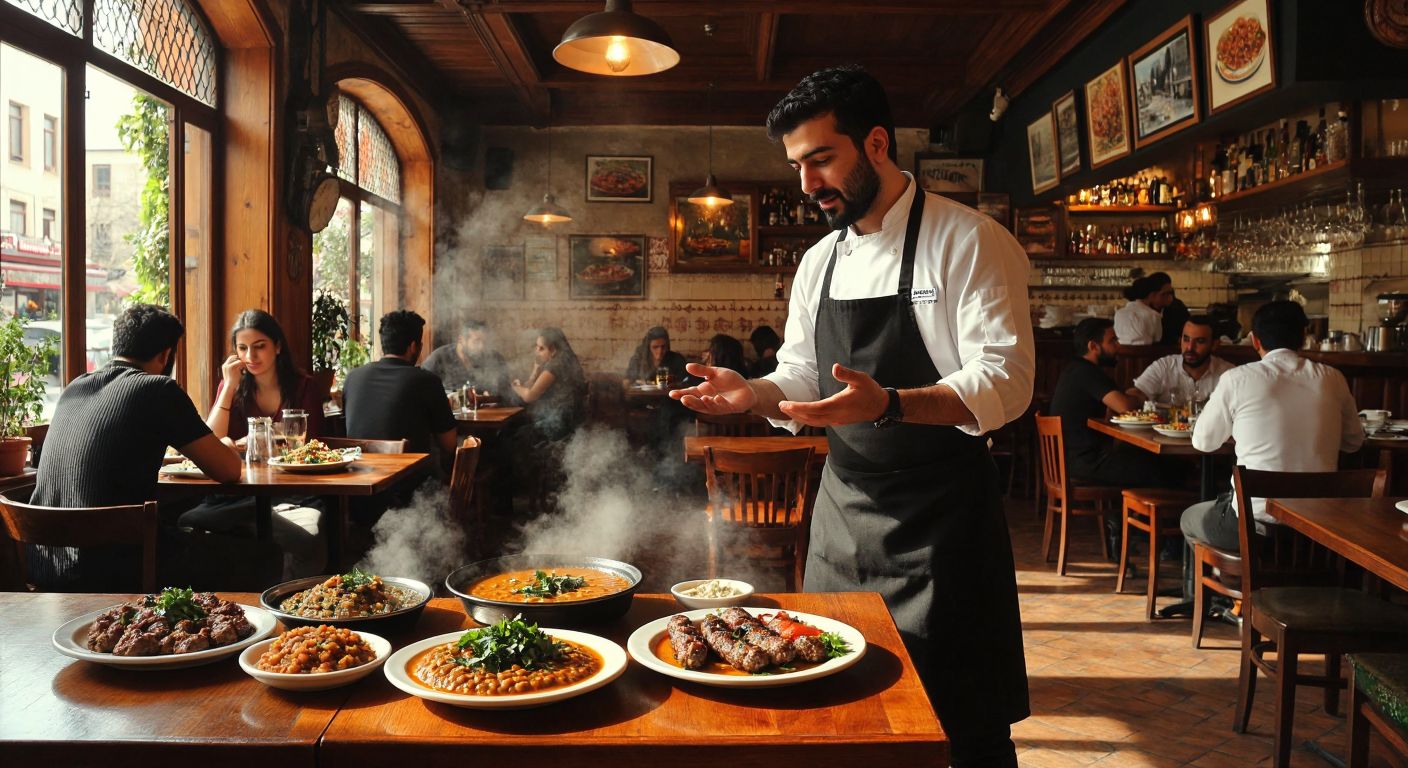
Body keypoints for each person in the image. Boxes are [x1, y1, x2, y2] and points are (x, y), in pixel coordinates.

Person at [671, 66, 1030, 767]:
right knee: (841, 705)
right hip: (843, 517)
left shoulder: (969, 240)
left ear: (876, 144)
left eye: (821, 159)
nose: (808, 184)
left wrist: (892, 403)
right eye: (797, 167)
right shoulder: (819, 261)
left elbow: (1006, 382)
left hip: (945, 521)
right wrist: (755, 394)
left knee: (966, 724)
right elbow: (801, 373)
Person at [29, 305, 241, 590]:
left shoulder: (74, 387)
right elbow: (228, 470)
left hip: (46, 568)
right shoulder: (158, 390)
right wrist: (226, 445)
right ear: (166, 355)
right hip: (115, 573)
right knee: (264, 555)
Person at [1180, 301, 1364, 550]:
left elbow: (1203, 442)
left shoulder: (1237, 379)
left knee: (1189, 518)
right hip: (1317, 530)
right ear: (1303, 337)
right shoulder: (1333, 378)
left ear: (1255, 340)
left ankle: (1231, 572)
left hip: (1254, 527)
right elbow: (1353, 443)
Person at [1051, 318, 1183, 489]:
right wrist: (1140, 397)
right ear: (1093, 346)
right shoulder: (1087, 373)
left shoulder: (1075, 369)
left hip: (1073, 461)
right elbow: (1125, 407)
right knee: (1168, 469)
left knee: (1154, 461)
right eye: (1112, 341)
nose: (1118, 346)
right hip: (1087, 463)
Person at [343, 310, 457, 478]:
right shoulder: (426, 381)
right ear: (413, 346)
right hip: (409, 487)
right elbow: (450, 444)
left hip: (358, 483)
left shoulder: (353, 378)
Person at [205, 309, 325, 442]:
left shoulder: (305, 388)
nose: (250, 356)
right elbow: (210, 443)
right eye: (243, 348)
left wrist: (251, 442)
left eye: (260, 346)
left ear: (278, 346)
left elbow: (312, 444)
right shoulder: (230, 385)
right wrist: (228, 387)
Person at [1126, 317, 1235, 407]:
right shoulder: (1164, 366)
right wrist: (1132, 398)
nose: (1190, 347)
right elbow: (1137, 394)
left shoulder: (1229, 374)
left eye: (1200, 341)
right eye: (1186, 339)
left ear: (1214, 344)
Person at [512, 327, 587, 442]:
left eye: (541, 348)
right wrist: (535, 371)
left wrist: (514, 387)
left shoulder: (555, 365)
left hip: (559, 423)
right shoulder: (567, 360)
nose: (537, 351)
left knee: (514, 435)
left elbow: (530, 396)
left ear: (553, 349)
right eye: (536, 347)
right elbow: (532, 387)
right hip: (569, 419)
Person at [422, 318, 514, 401]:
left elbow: (506, 394)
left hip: (491, 413)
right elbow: (423, 391)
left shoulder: (494, 358)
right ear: (461, 339)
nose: (482, 347)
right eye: (476, 341)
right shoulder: (439, 358)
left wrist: (490, 397)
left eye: (485, 342)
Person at [1113, 272, 1174, 345]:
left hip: (1121, 350)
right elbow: (1157, 339)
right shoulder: (1154, 315)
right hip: (1145, 351)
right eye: (1164, 294)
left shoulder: (1119, 313)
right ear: (1151, 294)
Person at [622, 326, 686, 386]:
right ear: (648, 347)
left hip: (668, 394)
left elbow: (685, 381)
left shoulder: (677, 360)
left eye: (663, 347)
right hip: (642, 393)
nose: (660, 351)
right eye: (655, 347)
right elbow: (627, 380)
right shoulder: (638, 359)